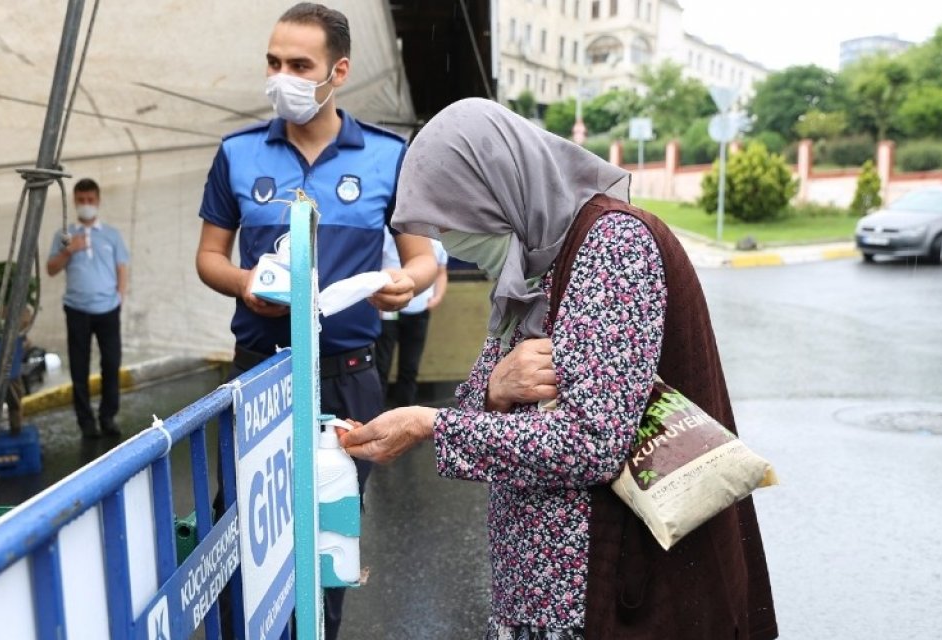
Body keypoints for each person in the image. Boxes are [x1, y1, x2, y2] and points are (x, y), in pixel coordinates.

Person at [341, 98, 777, 640]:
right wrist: (497, 389)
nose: (453, 243)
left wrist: (430, 425)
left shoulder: (612, 247)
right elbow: (485, 390)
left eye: (456, 222)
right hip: (537, 588)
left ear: (498, 187)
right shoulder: (532, 265)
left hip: (606, 586)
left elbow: (591, 443)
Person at [194, 4, 437, 638]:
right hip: (259, 377)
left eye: (300, 65)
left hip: (346, 378)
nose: (283, 78)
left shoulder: (388, 156)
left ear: (339, 71)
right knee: (246, 533)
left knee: (328, 533)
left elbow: (422, 260)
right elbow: (209, 257)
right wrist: (244, 281)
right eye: (274, 63)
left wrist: (405, 283)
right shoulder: (238, 154)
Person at [47, 178, 130, 439]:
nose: (86, 205)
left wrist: (120, 296)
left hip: (108, 308)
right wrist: (69, 251)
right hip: (77, 309)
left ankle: (108, 416)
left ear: (98, 201)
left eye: (90, 200)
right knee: (79, 367)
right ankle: (86, 422)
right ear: (74, 202)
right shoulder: (64, 236)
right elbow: (51, 269)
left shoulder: (112, 234)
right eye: (81, 201)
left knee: (111, 362)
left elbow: (122, 266)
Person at [373, 228, 448, 407]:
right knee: (382, 365)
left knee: (409, 367)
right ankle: (376, 412)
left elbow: (441, 271)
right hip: (388, 310)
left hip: (418, 310)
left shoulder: (436, 240)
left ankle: (404, 412)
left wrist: (437, 297)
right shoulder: (387, 234)